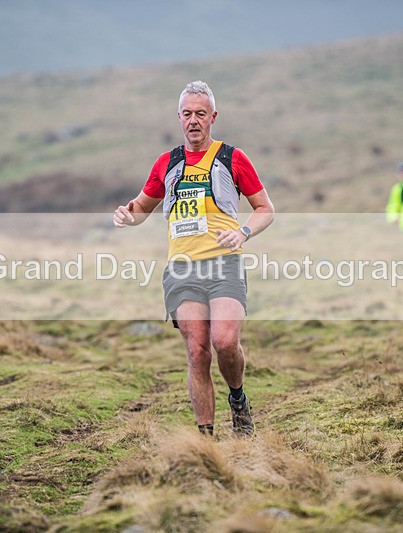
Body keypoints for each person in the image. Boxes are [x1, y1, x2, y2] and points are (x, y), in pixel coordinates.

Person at [113, 81, 274, 437]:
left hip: (224, 263)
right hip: (182, 270)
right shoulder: (166, 163)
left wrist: (243, 232)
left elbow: (265, 209)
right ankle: (205, 441)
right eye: (187, 114)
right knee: (197, 351)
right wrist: (128, 215)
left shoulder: (232, 158)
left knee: (225, 342)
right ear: (179, 118)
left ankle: (238, 398)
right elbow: (142, 208)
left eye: (201, 114)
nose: (193, 121)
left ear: (213, 117)